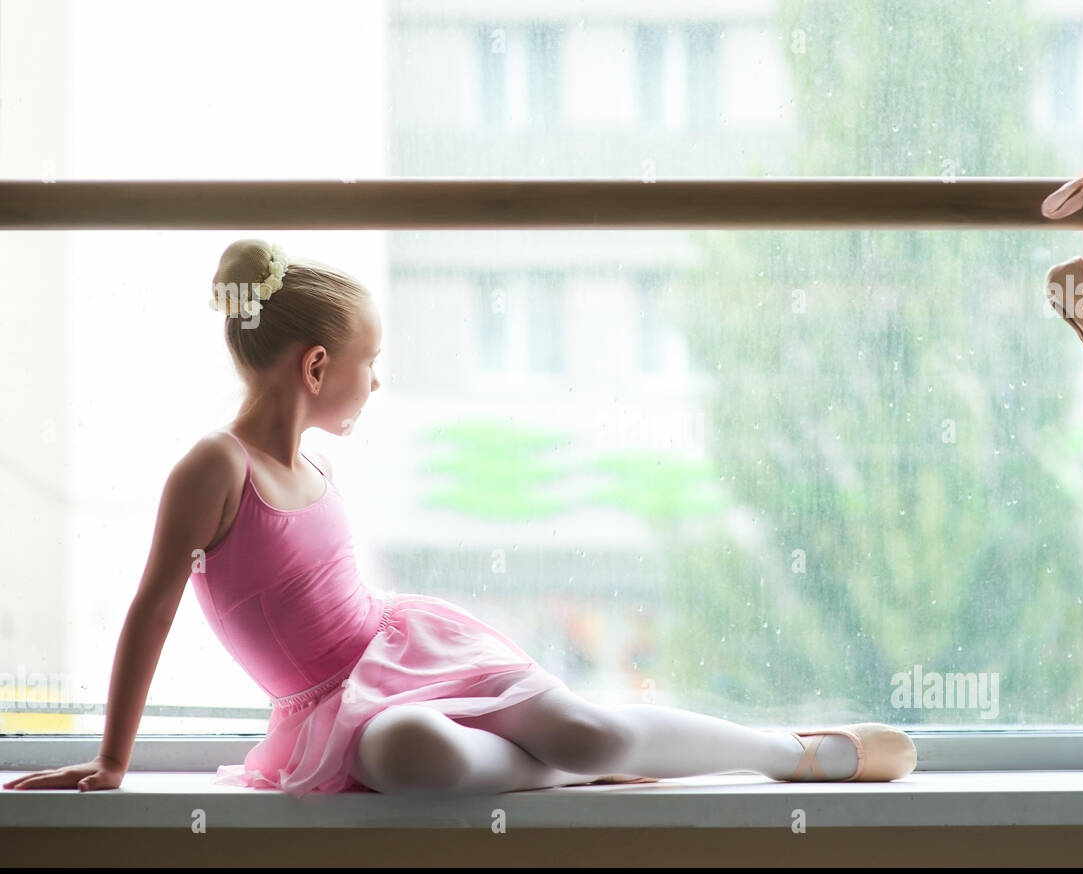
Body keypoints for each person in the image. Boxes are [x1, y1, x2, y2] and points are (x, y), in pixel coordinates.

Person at [3, 238, 917, 799]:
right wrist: (113, 759)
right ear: (317, 367)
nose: (378, 378)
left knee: (589, 728)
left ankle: (796, 752)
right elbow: (152, 607)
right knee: (411, 759)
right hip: (341, 710)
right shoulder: (216, 467)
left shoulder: (313, 461)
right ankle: (575, 769)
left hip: (409, 648)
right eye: (372, 361)